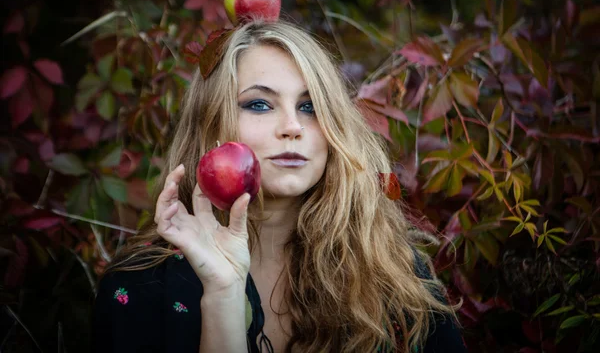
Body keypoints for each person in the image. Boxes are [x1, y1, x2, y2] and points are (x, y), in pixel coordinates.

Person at [92, 19, 467, 353]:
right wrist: (223, 293)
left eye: (310, 107)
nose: (293, 126)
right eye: (258, 104)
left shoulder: (393, 273)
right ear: (209, 127)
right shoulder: (140, 288)